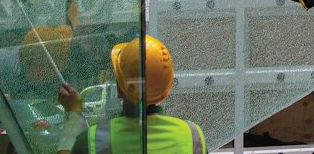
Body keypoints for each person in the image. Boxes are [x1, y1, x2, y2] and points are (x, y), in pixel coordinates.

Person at [56, 35, 207, 153]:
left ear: (121, 89)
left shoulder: (94, 140)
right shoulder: (193, 136)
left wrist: (73, 114)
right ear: (166, 88)